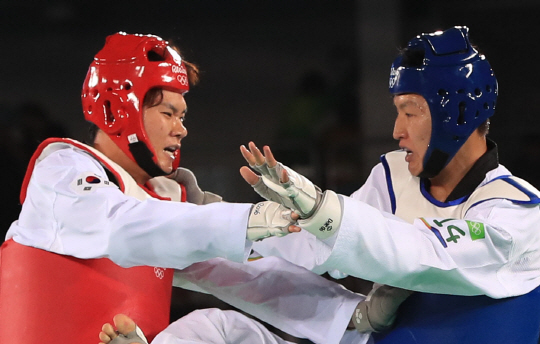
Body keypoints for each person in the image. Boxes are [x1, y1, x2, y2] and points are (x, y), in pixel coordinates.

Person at [237, 26, 540, 343]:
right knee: (220, 325)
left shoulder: (516, 209)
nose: (397, 130)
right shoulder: (393, 175)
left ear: (457, 114)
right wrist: (244, 225)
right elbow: (324, 247)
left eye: (409, 113)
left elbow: (426, 253)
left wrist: (324, 210)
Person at [0, 32, 305, 344]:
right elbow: (121, 225)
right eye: (168, 114)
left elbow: (250, 276)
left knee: (218, 327)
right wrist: (246, 219)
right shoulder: (62, 172)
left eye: (182, 116)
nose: (181, 129)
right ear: (114, 111)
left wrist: (348, 312)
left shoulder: (166, 202)